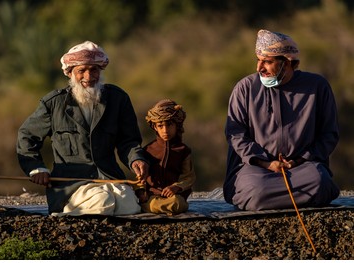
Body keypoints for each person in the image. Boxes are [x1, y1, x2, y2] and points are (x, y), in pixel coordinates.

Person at [16, 41, 149, 215]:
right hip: (71, 185)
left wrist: (136, 159)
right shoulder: (53, 103)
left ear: (100, 71)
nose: (89, 76)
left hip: (109, 178)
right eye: (82, 70)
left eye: (94, 70)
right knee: (102, 203)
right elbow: (27, 136)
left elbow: (128, 141)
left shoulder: (118, 99)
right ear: (70, 73)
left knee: (129, 205)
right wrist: (37, 169)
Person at [223, 29, 340, 211]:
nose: (259, 68)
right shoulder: (245, 88)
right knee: (256, 191)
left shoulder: (317, 86)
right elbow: (235, 135)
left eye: (267, 62)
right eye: (258, 60)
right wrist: (266, 163)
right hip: (256, 169)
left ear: (288, 63)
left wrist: (299, 160)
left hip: (302, 168)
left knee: (320, 183)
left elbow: (329, 134)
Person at [137, 99, 196, 215]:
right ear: (154, 127)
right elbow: (140, 178)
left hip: (175, 196)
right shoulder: (148, 150)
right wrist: (141, 192)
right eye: (160, 126)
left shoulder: (183, 150)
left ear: (177, 125)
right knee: (153, 204)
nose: (165, 130)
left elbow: (189, 177)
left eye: (169, 125)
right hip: (153, 196)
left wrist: (176, 187)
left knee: (177, 203)